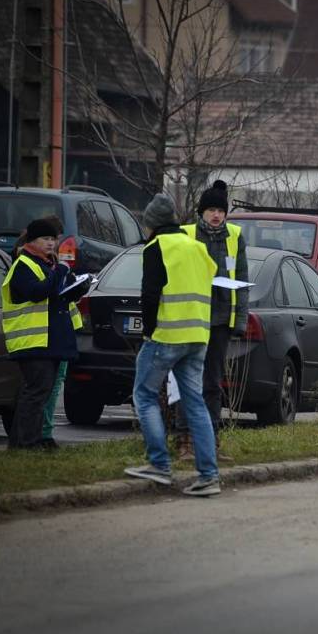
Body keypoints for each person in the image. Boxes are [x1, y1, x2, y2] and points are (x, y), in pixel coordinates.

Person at [124, 194, 221, 496]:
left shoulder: (156, 247)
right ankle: (209, 476)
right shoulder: (198, 247)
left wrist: (148, 332)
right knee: (196, 403)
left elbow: (150, 294)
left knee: (144, 394)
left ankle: (159, 465)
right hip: (198, 337)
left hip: (166, 336)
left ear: (151, 224)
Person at [173, 180, 249, 460]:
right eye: (211, 210)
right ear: (201, 212)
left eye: (220, 210)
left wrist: (239, 321)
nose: (216, 215)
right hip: (191, 317)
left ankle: (210, 441)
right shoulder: (186, 234)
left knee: (213, 383)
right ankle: (185, 440)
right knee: (187, 378)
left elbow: (241, 278)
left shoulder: (235, 236)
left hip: (220, 320)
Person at [1, 218, 86, 449]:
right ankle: (25, 443)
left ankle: (30, 440)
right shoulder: (24, 266)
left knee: (41, 394)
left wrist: (77, 287)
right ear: (32, 241)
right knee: (35, 393)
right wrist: (59, 271)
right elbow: (38, 292)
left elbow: (57, 294)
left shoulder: (48, 264)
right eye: (46, 239)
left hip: (51, 340)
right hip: (33, 341)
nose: (51, 244)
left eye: (54, 239)